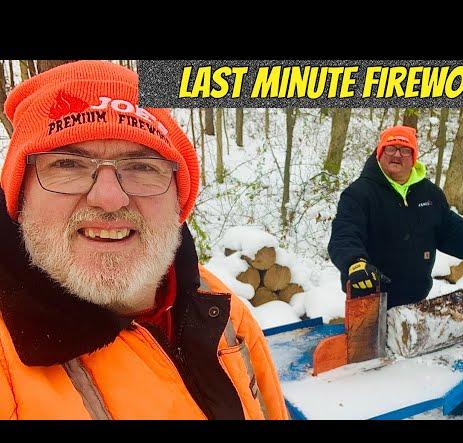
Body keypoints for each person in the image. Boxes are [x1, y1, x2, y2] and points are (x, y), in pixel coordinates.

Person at [0, 61, 287, 420]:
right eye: (67, 165)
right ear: (20, 196)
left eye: (141, 167)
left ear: (177, 201)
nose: (109, 198)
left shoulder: (224, 313)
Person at [328, 125, 463, 308]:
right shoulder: (358, 193)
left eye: (404, 150)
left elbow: (458, 238)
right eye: (390, 148)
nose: (396, 154)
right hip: (369, 303)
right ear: (380, 153)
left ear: (414, 158)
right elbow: (344, 234)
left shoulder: (430, 194)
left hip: (416, 304)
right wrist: (355, 263)